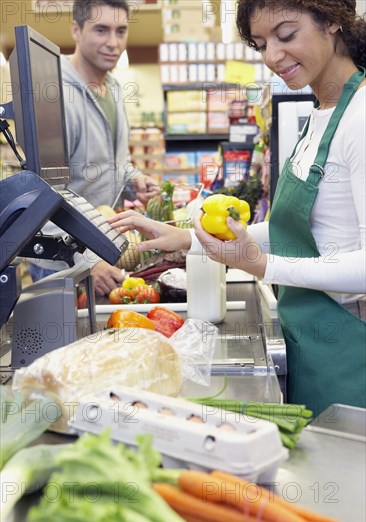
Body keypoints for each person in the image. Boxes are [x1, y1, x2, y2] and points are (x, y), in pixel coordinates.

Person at [109, 0, 366, 415]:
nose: (272, 57)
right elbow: (298, 230)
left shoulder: (361, 117)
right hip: (314, 339)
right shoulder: (319, 112)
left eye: (286, 36)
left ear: (333, 20)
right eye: (261, 43)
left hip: (351, 347)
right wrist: (189, 239)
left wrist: (259, 264)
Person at [28, 0, 160, 295]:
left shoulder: (113, 89)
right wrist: (87, 260)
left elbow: (112, 162)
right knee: (62, 339)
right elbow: (42, 193)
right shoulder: (54, 95)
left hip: (102, 246)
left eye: (120, 30)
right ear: (76, 30)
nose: (113, 43)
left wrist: (132, 180)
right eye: (101, 30)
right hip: (63, 262)